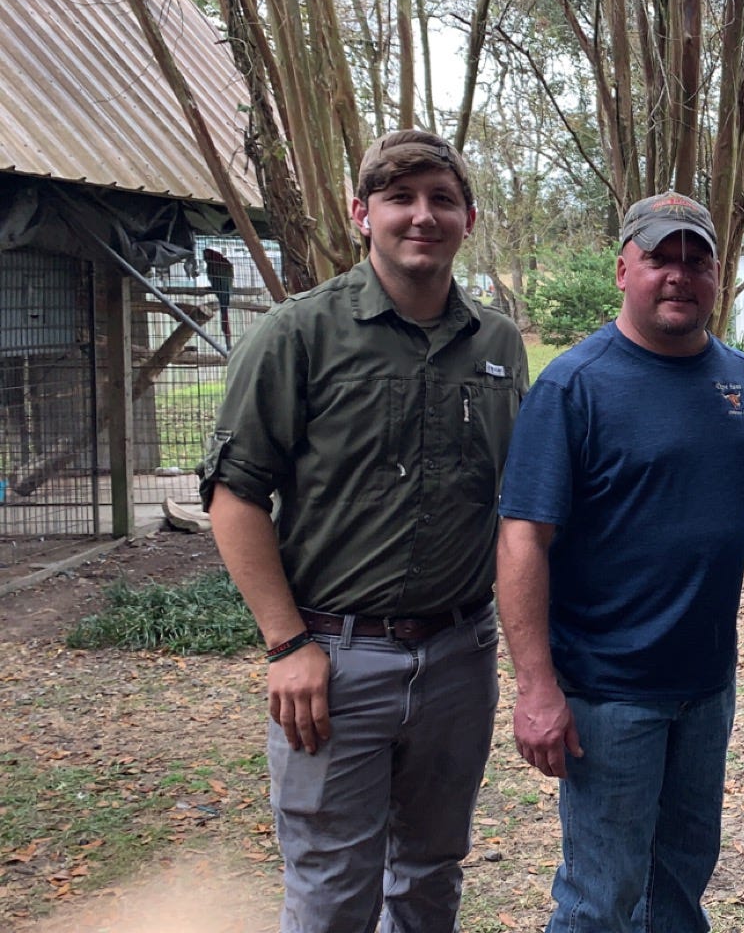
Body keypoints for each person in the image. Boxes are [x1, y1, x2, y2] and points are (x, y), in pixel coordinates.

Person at [201, 129, 527, 932]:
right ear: (361, 213)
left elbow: (515, 502)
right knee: (331, 889)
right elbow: (234, 497)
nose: (422, 216)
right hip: (332, 663)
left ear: (468, 219)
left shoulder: (497, 345)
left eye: (441, 200)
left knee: (428, 875)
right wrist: (286, 644)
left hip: (458, 657)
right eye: (400, 198)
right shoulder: (297, 334)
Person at [495, 190, 744, 932]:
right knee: (600, 899)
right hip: (608, 694)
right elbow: (523, 540)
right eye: (659, 259)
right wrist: (536, 689)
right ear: (623, 270)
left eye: (696, 260)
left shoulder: (741, 378)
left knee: (679, 889)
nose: (679, 275)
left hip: (706, 687)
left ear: (718, 275)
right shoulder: (574, 385)